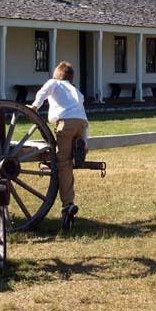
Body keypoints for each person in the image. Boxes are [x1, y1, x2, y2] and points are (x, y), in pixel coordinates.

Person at [30, 61, 88, 231]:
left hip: (65, 123)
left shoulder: (53, 83)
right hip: (81, 124)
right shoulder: (77, 91)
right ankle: (79, 149)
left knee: (63, 164)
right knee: (69, 160)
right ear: (71, 78)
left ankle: (67, 204)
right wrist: (86, 141)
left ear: (57, 75)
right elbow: (84, 115)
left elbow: (43, 92)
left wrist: (34, 106)